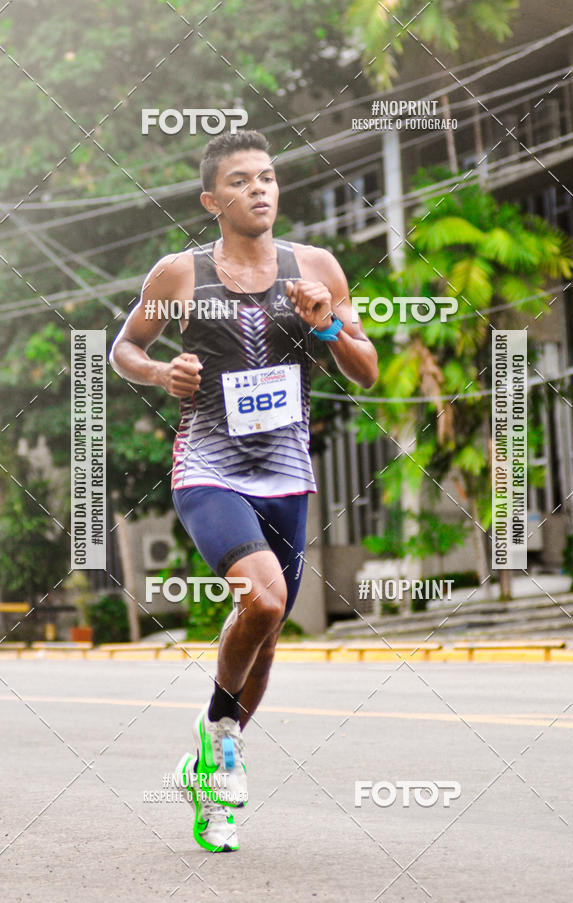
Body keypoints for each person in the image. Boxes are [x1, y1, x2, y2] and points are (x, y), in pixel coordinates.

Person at [109, 129, 378, 852]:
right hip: (210, 466)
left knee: (265, 634)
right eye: (240, 180)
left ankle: (218, 761)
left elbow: (367, 368)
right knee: (261, 597)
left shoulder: (317, 266)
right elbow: (125, 348)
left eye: (267, 177)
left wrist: (325, 326)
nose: (259, 188)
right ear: (212, 200)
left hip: (288, 473)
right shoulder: (181, 274)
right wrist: (162, 374)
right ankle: (219, 736)